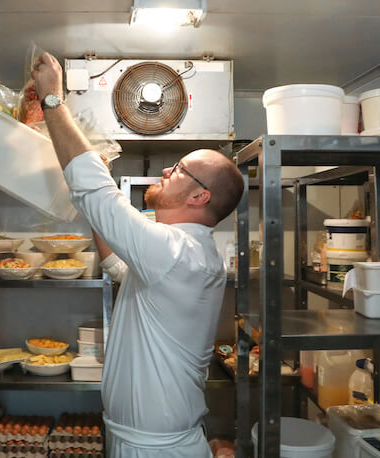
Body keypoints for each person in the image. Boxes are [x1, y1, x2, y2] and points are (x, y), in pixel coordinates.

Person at [32, 52, 245, 457]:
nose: (167, 170)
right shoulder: (178, 254)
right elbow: (116, 263)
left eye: (180, 169)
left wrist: (53, 99)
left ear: (201, 196)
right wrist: (98, 209)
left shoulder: (178, 254)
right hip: (141, 442)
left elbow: (96, 193)